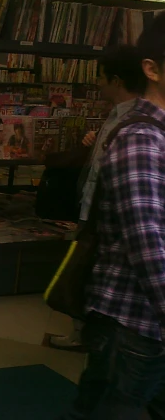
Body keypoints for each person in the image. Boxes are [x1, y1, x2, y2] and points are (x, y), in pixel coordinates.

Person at [0, 15, 165, 420]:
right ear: (152, 69)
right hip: (136, 323)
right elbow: (146, 238)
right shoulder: (141, 139)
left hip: (149, 323)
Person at [50, 44, 146, 350]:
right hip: (90, 207)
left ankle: (88, 334)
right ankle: (82, 332)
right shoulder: (116, 115)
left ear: (116, 80)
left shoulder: (135, 123)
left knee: (87, 270)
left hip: (103, 215)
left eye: (101, 76)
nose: (97, 83)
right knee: (84, 268)